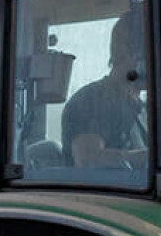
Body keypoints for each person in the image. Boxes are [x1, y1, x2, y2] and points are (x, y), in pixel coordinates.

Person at [62, 11, 148, 170]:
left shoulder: (140, 110)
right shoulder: (93, 100)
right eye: (154, 54)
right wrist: (155, 156)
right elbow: (88, 160)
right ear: (130, 53)